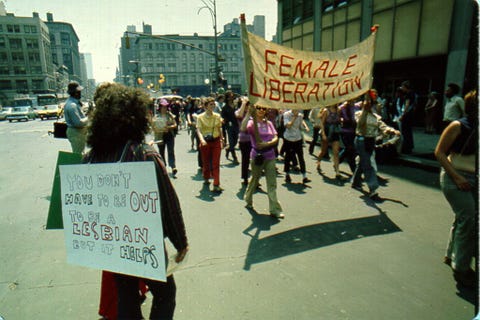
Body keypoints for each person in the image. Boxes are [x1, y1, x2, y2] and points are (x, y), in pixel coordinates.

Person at [85, 83, 188, 319]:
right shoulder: (144, 153)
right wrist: (181, 241)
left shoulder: (91, 157)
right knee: (165, 293)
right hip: (144, 240)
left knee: (126, 294)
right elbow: (168, 202)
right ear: (134, 118)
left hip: (112, 242)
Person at [434, 90, 477, 288]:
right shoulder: (458, 125)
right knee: (468, 219)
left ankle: (450, 254)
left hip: (474, 179)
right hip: (455, 177)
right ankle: (461, 268)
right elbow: (440, 153)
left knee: (463, 218)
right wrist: (457, 177)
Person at [352, 91, 400, 200]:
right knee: (368, 163)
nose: (370, 105)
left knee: (362, 162)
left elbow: (383, 127)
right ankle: (373, 189)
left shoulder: (376, 117)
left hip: (371, 141)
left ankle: (355, 181)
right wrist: (364, 110)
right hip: (361, 140)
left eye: (371, 103)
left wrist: (392, 131)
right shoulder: (358, 114)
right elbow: (360, 124)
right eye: (367, 103)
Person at [241, 103, 284, 219]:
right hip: (257, 156)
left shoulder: (269, 123)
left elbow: (275, 137)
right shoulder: (251, 122)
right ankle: (248, 198)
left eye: (263, 108)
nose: (261, 110)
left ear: (266, 110)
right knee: (255, 180)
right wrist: (249, 113)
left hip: (270, 155)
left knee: (272, 183)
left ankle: (275, 209)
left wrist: (268, 143)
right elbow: (242, 128)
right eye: (258, 108)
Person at [196, 96, 225, 192]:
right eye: (210, 104)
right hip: (205, 142)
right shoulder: (200, 117)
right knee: (206, 162)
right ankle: (206, 177)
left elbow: (219, 128)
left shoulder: (217, 116)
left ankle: (216, 184)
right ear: (205, 106)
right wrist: (202, 140)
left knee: (216, 163)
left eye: (213, 104)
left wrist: (222, 139)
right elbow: (199, 130)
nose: (213, 106)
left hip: (216, 141)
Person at [283, 108, 311, 183]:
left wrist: (306, 128)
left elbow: (300, 127)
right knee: (288, 156)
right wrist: (294, 117)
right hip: (288, 138)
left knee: (301, 157)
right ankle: (287, 174)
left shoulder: (300, 116)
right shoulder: (286, 114)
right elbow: (287, 126)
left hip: (297, 138)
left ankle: (304, 176)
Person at [151, 98, 178, 176]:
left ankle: (173, 166)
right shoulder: (156, 117)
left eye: (165, 107)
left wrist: (169, 127)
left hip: (169, 135)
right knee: (161, 152)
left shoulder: (170, 115)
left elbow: (175, 124)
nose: (164, 108)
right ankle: (163, 167)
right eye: (163, 107)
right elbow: (153, 127)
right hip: (160, 135)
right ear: (160, 107)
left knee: (171, 151)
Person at [316, 104, 342, 178]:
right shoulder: (326, 111)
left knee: (336, 152)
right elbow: (322, 123)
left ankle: (337, 171)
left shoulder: (338, 110)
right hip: (327, 131)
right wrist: (323, 134)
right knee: (323, 151)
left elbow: (339, 120)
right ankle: (318, 162)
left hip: (335, 132)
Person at [64, 81, 88, 154]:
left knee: (81, 152)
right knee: (78, 155)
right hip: (76, 132)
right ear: (76, 93)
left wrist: (86, 114)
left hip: (78, 132)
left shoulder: (74, 103)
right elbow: (78, 123)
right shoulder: (72, 105)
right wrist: (89, 117)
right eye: (79, 91)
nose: (81, 93)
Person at [338, 99, 359, 174]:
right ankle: (354, 170)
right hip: (345, 131)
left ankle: (337, 161)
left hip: (354, 130)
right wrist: (341, 119)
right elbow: (338, 117)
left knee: (348, 149)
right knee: (350, 149)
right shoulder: (342, 108)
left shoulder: (357, 107)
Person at [235, 97, 252, 185]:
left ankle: (255, 179)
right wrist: (243, 103)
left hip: (253, 139)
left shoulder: (252, 112)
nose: (247, 106)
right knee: (245, 159)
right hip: (244, 139)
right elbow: (240, 116)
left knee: (255, 159)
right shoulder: (238, 111)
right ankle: (245, 177)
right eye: (246, 105)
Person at [221, 90, 239, 163]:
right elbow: (223, 116)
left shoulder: (236, 105)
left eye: (232, 96)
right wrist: (226, 122)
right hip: (229, 126)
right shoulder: (225, 107)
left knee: (235, 141)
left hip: (237, 124)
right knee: (231, 141)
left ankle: (228, 149)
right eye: (231, 96)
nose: (232, 97)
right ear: (227, 98)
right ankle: (235, 157)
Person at [399, 81, 416, 154]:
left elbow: (407, 105)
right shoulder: (413, 94)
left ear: (406, 87)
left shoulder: (409, 94)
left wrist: (403, 115)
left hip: (407, 115)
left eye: (403, 87)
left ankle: (406, 147)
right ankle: (409, 147)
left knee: (405, 132)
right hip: (411, 114)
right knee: (408, 131)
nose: (402, 88)